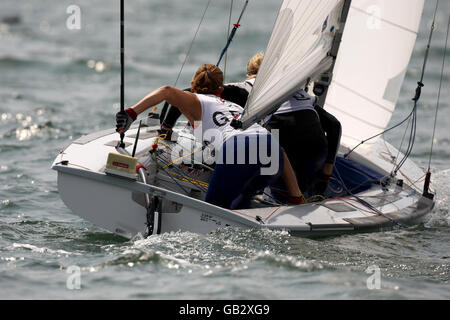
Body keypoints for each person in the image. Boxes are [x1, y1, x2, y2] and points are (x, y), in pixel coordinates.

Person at [116, 64, 304, 209]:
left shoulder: (197, 100)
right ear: (221, 89)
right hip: (270, 149)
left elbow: (167, 91)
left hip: (239, 147)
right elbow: (279, 149)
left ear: (192, 87)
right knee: (243, 198)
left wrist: (132, 113)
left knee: (212, 209)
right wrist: (296, 197)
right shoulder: (235, 107)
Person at [158, 52, 264, 137]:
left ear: (249, 72)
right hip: (267, 136)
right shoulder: (277, 86)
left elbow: (182, 95)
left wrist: (166, 127)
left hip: (235, 140)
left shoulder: (237, 89)